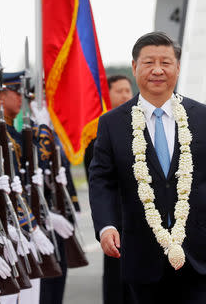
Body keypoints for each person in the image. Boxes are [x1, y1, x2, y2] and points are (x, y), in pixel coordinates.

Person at [89, 31, 206, 304]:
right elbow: (101, 180)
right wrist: (106, 226)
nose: (158, 70)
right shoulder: (112, 124)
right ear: (135, 67)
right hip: (143, 256)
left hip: (202, 254)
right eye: (149, 62)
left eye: (166, 62)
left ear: (178, 68)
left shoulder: (205, 118)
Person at [85, 74, 134, 304]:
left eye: (128, 90)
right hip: (118, 223)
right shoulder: (99, 135)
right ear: (107, 95)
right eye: (119, 90)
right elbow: (99, 181)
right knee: (117, 284)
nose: (125, 95)